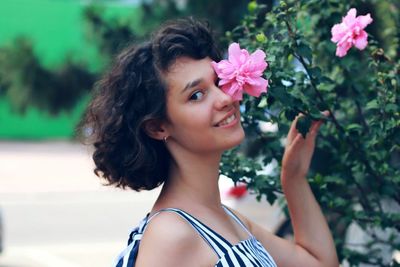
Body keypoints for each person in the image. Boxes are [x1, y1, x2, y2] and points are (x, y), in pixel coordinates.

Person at [82, 17, 339, 267]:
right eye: (196, 95)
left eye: (218, 82)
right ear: (158, 127)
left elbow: (319, 262)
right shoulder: (171, 235)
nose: (225, 99)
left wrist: (293, 177)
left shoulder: (227, 219)